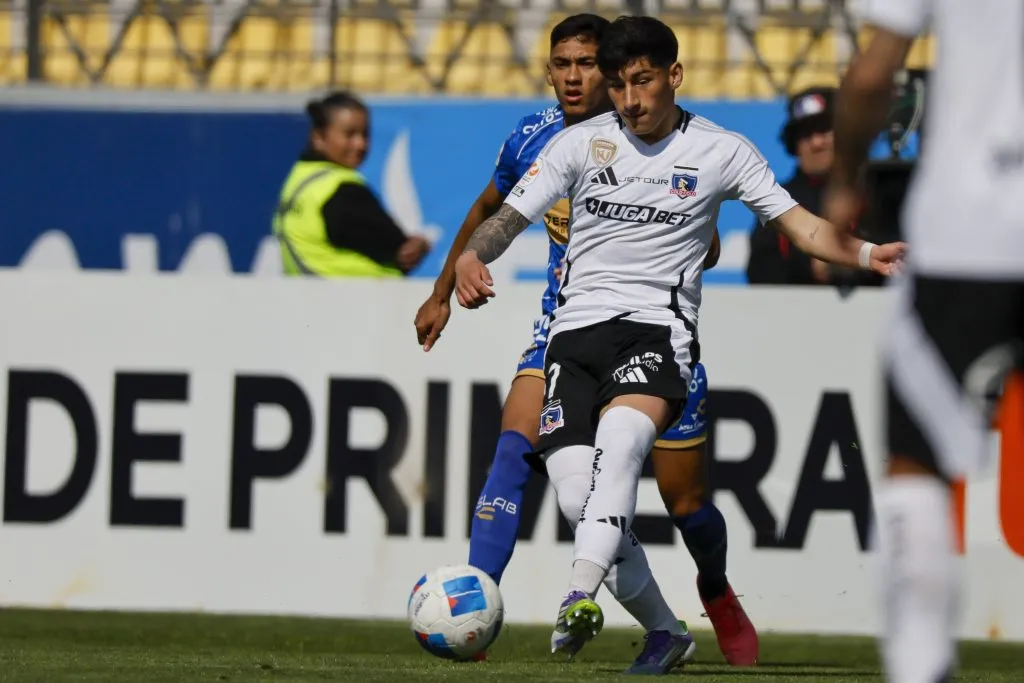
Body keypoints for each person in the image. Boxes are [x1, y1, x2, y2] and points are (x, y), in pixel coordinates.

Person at [453, 13, 905, 661]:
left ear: (675, 76)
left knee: (657, 471)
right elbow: (508, 215)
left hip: (657, 335)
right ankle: (666, 631)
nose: (629, 100)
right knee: (579, 492)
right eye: (618, 84)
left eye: (642, 82)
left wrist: (867, 255)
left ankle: (597, 593)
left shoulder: (721, 151)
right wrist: (474, 254)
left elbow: (801, 225)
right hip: (574, 338)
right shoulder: (578, 144)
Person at [414, 13, 756, 671]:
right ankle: (476, 607)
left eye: (587, 65)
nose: (575, 77)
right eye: (562, 64)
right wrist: (439, 291)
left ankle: (713, 585)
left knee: (685, 502)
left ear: (616, 71)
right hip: (565, 326)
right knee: (516, 445)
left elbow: (704, 244)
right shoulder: (536, 138)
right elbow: (490, 209)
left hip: (654, 330)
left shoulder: (664, 137)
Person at [825, 1, 1024, 681]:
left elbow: (873, 73)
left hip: (969, 233)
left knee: (916, 467)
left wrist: (848, 179)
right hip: (967, 233)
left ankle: (918, 663)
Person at [273, 91, 430, 277]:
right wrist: (421, 245)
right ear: (319, 138)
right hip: (358, 300)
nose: (360, 144)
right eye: (349, 134)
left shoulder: (298, 179)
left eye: (365, 134)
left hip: (310, 297)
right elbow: (401, 251)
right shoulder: (340, 188)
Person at [746, 86, 884, 290]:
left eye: (825, 129)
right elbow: (760, 273)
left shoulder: (877, 193)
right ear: (793, 145)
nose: (817, 142)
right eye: (806, 134)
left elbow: (900, 264)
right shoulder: (776, 197)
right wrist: (809, 265)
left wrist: (851, 263)